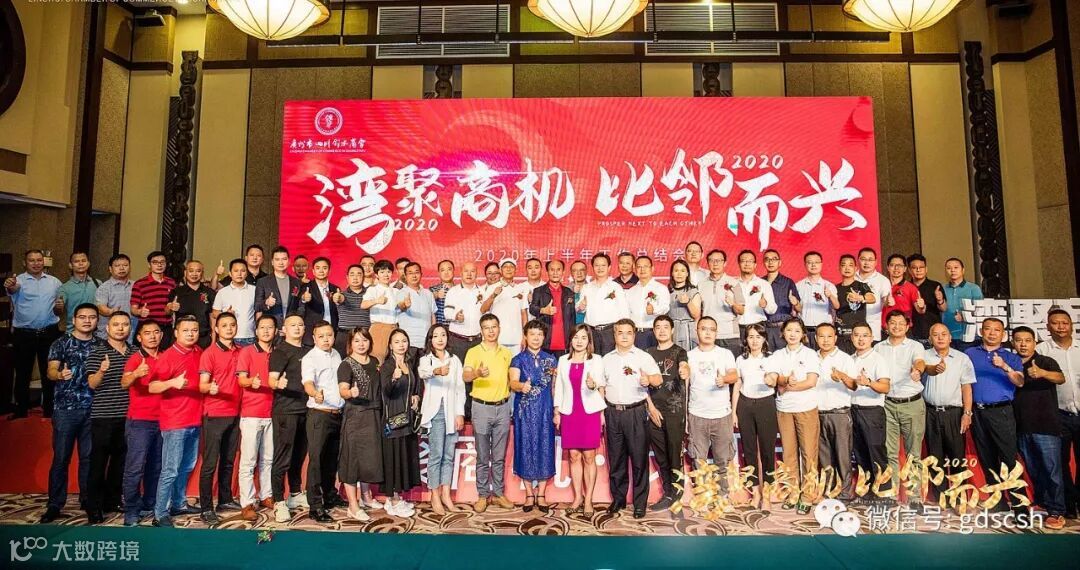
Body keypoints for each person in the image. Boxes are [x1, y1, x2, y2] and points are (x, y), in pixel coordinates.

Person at [39, 303, 99, 523]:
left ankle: (88, 501)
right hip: (65, 409)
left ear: (97, 321)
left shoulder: (101, 345)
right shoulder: (61, 343)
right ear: (74, 319)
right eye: (82, 317)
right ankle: (55, 504)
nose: (87, 321)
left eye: (91, 317)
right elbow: (50, 371)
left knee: (89, 459)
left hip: (93, 409)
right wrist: (58, 375)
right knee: (61, 458)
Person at [602, 319, 662, 518]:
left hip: (636, 412)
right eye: (620, 332)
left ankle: (639, 503)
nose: (625, 336)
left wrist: (649, 379)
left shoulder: (643, 357)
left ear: (634, 335)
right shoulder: (606, 359)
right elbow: (601, 386)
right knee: (616, 460)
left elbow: (658, 379)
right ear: (614, 335)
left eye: (629, 332)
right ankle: (618, 499)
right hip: (612, 413)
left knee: (639, 460)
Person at [148, 315, 204, 527]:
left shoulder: (198, 351)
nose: (190, 334)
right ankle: (160, 513)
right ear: (176, 333)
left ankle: (179, 503)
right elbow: (152, 386)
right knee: (170, 469)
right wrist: (172, 382)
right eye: (186, 330)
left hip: (194, 420)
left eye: (194, 330)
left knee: (187, 466)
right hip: (175, 423)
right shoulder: (168, 356)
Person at [964, 318, 1024, 510]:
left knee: (1008, 458)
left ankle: (1020, 505)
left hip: (1001, 411)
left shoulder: (1011, 357)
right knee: (987, 457)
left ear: (1003, 334)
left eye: (996, 330)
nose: (991, 333)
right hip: (977, 412)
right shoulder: (970, 353)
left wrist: (1004, 366)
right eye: (988, 329)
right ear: (981, 331)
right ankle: (998, 502)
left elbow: (1020, 382)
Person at [1011, 326, 1067, 529]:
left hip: (1046, 426)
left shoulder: (1044, 361)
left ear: (1035, 342)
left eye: (1027, 340)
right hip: (1021, 426)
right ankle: (1043, 503)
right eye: (1019, 340)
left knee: (1052, 470)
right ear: (1013, 343)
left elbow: (1061, 378)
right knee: (1033, 469)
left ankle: (1057, 511)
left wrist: (1042, 373)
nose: (1023, 344)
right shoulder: (1011, 363)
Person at [766, 318, 820, 514]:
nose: (793, 334)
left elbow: (811, 382)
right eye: (789, 330)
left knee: (809, 453)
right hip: (784, 409)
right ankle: (793, 493)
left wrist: (786, 386)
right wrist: (782, 381)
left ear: (803, 334)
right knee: (788, 453)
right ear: (783, 333)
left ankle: (808, 495)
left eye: (797, 331)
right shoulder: (777, 355)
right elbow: (773, 379)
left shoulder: (810, 354)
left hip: (806, 408)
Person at [85, 312, 134, 523]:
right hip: (103, 416)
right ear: (107, 328)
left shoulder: (135, 352)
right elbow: (92, 384)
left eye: (125, 324)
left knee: (120, 462)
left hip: (128, 416)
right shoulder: (98, 352)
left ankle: (112, 500)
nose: (120, 328)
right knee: (98, 463)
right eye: (116, 325)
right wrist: (102, 371)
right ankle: (93, 506)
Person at [463, 313, 515, 512]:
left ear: (499, 329)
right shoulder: (473, 352)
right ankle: (483, 495)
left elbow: (512, 379)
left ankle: (499, 494)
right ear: (481, 331)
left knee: (499, 456)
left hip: (503, 408)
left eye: (494, 327)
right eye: (487, 327)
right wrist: (477, 373)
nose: (491, 331)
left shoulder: (506, 353)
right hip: (481, 407)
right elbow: (465, 376)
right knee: (483, 456)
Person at [554, 324, 606, 517]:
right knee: (574, 456)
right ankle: (577, 498)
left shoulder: (596, 360)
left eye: (583, 338)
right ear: (571, 340)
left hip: (590, 412)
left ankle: (589, 500)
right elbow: (559, 388)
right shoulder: (563, 360)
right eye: (576, 337)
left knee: (589, 457)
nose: (579, 341)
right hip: (569, 412)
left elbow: (601, 386)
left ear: (589, 341)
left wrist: (594, 386)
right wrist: (557, 412)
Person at [874, 311, 927, 500]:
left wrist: (917, 371)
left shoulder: (915, 346)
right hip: (887, 404)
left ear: (907, 326)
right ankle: (892, 495)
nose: (896, 327)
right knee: (890, 453)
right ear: (886, 326)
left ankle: (915, 498)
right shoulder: (878, 348)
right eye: (893, 323)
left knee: (914, 454)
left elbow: (919, 362)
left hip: (911, 404)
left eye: (901, 323)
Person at [196, 312, 243, 524]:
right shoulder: (210, 353)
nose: (229, 328)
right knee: (210, 464)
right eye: (224, 325)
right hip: (215, 414)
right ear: (216, 329)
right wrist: (210, 388)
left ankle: (225, 499)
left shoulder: (240, 351)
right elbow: (201, 385)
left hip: (235, 413)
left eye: (232, 325)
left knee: (228, 460)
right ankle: (206, 508)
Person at [6, 249, 63, 419]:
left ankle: (50, 410)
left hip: (49, 333)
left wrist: (59, 308)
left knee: (50, 372)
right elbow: (12, 289)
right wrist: (11, 285)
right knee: (22, 373)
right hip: (24, 334)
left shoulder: (55, 282)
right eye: (32, 260)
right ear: (25, 263)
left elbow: (59, 308)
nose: (36, 263)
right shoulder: (18, 281)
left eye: (39, 260)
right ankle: (21, 410)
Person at [921, 323, 975, 504]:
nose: (940, 338)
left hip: (954, 413)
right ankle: (940, 498)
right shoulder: (923, 357)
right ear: (930, 339)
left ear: (951, 338)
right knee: (934, 458)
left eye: (944, 334)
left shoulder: (962, 358)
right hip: (930, 412)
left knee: (957, 457)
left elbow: (966, 387)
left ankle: (959, 499)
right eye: (935, 335)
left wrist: (967, 413)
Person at [686, 316, 739, 498]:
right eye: (704, 329)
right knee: (698, 461)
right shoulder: (689, 356)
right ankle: (702, 497)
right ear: (697, 331)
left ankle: (723, 496)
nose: (708, 333)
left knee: (722, 461)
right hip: (697, 415)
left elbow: (734, 375)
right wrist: (686, 417)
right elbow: (686, 387)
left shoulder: (725, 354)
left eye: (712, 329)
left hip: (721, 415)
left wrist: (724, 379)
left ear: (716, 333)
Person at [510, 320, 559, 513]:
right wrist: (521, 386)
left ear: (544, 337)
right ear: (525, 336)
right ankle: (529, 494)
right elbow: (513, 382)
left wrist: (556, 410)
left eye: (539, 334)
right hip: (525, 409)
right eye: (532, 334)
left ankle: (542, 494)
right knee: (525, 448)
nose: (536, 338)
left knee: (546, 447)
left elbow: (555, 387)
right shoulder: (518, 359)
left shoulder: (551, 360)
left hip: (545, 408)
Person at [1036, 309, 1080, 517]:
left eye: (1065, 322)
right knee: (1059, 463)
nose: (1061, 326)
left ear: (1072, 325)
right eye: (1055, 323)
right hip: (1057, 414)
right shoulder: (1041, 350)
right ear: (1048, 327)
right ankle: (1068, 505)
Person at [337, 327, 384, 522]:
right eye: (356, 341)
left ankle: (366, 497)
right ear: (350, 344)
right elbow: (342, 390)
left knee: (368, 459)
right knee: (352, 461)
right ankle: (353, 505)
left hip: (373, 415)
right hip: (355, 416)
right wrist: (350, 393)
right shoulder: (346, 364)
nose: (361, 344)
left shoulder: (374, 362)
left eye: (364, 340)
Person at [418, 324, 465, 515]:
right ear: (430, 339)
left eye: (443, 335)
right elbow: (423, 373)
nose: (440, 339)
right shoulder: (426, 359)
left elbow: (460, 388)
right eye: (435, 336)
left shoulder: (455, 360)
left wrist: (460, 413)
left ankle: (446, 494)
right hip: (435, 413)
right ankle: (434, 495)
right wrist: (437, 371)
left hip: (452, 411)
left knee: (449, 455)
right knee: (436, 455)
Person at [120, 320, 163, 526]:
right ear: (139, 337)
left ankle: (149, 503)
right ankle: (131, 509)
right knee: (135, 468)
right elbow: (124, 382)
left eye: (156, 332)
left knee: (156, 466)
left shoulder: (165, 357)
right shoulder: (135, 358)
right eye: (147, 333)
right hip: (140, 421)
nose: (152, 336)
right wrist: (136, 373)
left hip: (163, 421)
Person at [268, 314, 311, 522]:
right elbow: (271, 380)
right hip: (286, 410)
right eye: (292, 325)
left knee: (299, 455)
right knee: (282, 457)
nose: (297, 328)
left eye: (300, 325)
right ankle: (278, 501)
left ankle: (295, 493)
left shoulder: (309, 351)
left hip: (306, 409)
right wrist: (278, 384)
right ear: (284, 329)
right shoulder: (280, 351)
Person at [301, 321, 345, 523]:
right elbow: (308, 383)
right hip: (319, 414)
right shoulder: (310, 358)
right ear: (314, 338)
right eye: (321, 336)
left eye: (329, 335)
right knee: (317, 461)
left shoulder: (336, 354)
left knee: (331, 459)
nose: (326, 339)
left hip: (337, 414)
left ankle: (329, 495)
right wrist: (315, 394)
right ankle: (315, 506)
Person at [235, 315, 278, 521]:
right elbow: (241, 380)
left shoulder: (278, 352)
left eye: (270, 327)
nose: (266, 331)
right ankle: (247, 502)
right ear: (256, 331)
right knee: (248, 461)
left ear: (276, 331)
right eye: (262, 327)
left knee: (268, 459)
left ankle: (266, 495)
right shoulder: (247, 352)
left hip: (272, 413)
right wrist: (251, 381)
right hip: (251, 414)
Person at [645, 316, 689, 511]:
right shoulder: (648, 353)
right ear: (653, 331)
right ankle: (667, 492)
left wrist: (684, 369)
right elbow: (643, 383)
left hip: (674, 411)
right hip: (654, 410)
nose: (662, 330)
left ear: (672, 330)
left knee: (674, 453)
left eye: (665, 327)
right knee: (661, 455)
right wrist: (650, 408)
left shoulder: (679, 352)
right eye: (658, 327)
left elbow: (684, 366)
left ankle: (677, 493)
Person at [379, 328, 422, 517]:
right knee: (393, 459)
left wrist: (416, 396)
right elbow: (385, 392)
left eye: (404, 341)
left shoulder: (409, 363)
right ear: (390, 345)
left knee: (403, 458)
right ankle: (392, 499)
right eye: (396, 342)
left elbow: (415, 386)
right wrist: (393, 379)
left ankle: (397, 497)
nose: (401, 345)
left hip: (407, 420)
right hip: (393, 421)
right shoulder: (388, 366)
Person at [735, 323, 778, 509]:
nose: (754, 341)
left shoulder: (771, 358)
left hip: (765, 404)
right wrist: (734, 412)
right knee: (749, 451)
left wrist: (771, 380)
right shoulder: (740, 359)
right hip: (745, 405)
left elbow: (774, 379)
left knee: (768, 452)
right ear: (746, 339)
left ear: (764, 339)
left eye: (758, 337)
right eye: (751, 337)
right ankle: (755, 493)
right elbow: (737, 385)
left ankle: (766, 496)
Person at [842, 322, 891, 483]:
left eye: (865, 335)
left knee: (876, 453)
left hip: (872, 411)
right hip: (853, 411)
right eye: (857, 335)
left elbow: (885, 387)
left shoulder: (878, 359)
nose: (861, 339)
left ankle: (884, 492)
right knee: (860, 454)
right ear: (851, 338)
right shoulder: (850, 359)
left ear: (872, 338)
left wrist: (869, 382)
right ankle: (866, 491)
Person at [815, 322, 856, 502]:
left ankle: (846, 492)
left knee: (843, 455)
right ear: (816, 338)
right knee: (824, 456)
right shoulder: (811, 358)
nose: (825, 340)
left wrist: (842, 376)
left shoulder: (845, 359)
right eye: (821, 336)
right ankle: (829, 490)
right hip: (817, 413)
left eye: (829, 336)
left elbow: (854, 385)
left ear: (836, 338)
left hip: (839, 413)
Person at [578, 253, 629, 355]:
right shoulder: (587, 287)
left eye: (603, 265)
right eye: (597, 265)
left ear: (609, 267)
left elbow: (624, 311)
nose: (600, 268)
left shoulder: (616, 287)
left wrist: (624, 331)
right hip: (591, 331)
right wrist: (581, 306)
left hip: (610, 332)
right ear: (593, 267)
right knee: (592, 360)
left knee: (610, 360)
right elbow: (579, 308)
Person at [481, 258, 529, 356]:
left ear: (515, 270)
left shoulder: (520, 289)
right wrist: (493, 295)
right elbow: (483, 310)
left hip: (516, 340)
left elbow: (524, 314)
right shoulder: (492, 287)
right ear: (500, 270)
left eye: (511, 267)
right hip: (496, 339)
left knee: (515, 365)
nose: (508, 269)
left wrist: (525, 336)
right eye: (505, 267)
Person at [529, 259, 575, 358]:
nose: (555, 273)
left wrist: (572, 339)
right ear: (547, 272)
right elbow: (532, 308)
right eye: (552, 270)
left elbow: (572, 319)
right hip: (545, 342)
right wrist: (543, 310)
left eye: (558, 270)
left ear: (563, 272)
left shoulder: (569, 292)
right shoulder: (539, 291)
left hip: (565, 343)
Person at [166, 261, 216, 349]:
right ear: (185, 272)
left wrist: (213, 340)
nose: (194, 274)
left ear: (202, 273)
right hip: (182, 338)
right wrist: (170, 307)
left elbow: (212, 317)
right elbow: (166, 311)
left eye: (198, 271)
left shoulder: (209, 292)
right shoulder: (177, 291)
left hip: (203, 338)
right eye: (191, 271)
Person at [795, 251, 840, 350]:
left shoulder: (829, 285)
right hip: (805, 330)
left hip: (823, 331)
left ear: (821, 264)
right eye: (810, 262)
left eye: (816, 262)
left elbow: (837, 306)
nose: (813, 265)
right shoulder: (798, 286)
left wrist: (830, 296)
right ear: (805, 265)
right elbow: (797, 310)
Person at [131, 251, 177, 346]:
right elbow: (133, 309)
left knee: (165, 354)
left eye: (162, 262)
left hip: (166, 328)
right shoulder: (139, 284)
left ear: (166, 264)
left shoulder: (171, 283)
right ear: (149, 265)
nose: (159, 265)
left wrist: (172, 308)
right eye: (155, 262)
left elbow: (171, 308)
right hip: (147, 328)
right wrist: (139, 311)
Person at [443, 261, 485, 363]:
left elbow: (486, 314)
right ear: (461, 273)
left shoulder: (483, 291)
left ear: (477, 274)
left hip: (477, 341)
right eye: (466, 271)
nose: (469, 274)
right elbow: (447, 313)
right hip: (457, 341)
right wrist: (456, 316)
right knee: (457, 370)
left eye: (472, 271)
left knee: (476, 370)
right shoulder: (453, 291)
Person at [626, 256, 670, 350]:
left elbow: (666, 307)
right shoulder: (630, 291)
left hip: (653, 333)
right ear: (635, 269)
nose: (642, 269)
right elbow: (627, 313)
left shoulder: (661, 288)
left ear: (652, 268)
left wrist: (654, 310)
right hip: (635, 334)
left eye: (645, 266)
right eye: (639, 267)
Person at [835, 254, 874, 354]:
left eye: (850, 265)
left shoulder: (861, 285)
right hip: (840, 334)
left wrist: (861, 298)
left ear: (856, 268)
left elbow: (872, 298)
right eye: (844, 265)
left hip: (857, 335)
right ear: (839, 268)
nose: (847, 268)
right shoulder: (835, 288)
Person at [298, 258, 342, 347]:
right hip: (312, 333)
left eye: (324, 268)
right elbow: (299, 302)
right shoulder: (306, 287)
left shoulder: (335, 289)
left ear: (329, 271)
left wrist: (339, 301)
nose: (321, 271)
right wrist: (304, 298)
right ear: (313, 271)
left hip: (331, 332)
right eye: (318, 268)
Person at [212, 259, 257, 347]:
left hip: (250, 336)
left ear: (246, 273)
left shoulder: (254, 290)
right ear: (230, 273)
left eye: (243, 271)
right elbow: (214, 313)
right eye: (236, 271)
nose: (239, 274)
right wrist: (226, 314)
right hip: (228, 336)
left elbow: (259, 311)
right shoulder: (222, 292)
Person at [734, 250, 777, 341]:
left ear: (755, 264)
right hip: (737, 328)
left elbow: (772, 309)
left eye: (750, 261)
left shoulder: (764, 284)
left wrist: (765, 305)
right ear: (739, 264)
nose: (747, 264)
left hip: (758, 326)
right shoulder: (732, 283)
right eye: (743, 261)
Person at [762, 249, 800, 351]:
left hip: (783, 328)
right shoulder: (759, 282)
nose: (770, 262)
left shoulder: (788, 282)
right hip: (764, 329)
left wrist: (796, 303)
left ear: (780, 263)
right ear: (763, 263)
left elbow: (799, 308)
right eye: (767, 259)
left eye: (774, 259)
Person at [942, 258, 983, 350]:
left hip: (969, 336)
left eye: (956, 267)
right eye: (949, 268)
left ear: (963, 270)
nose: (952, 270)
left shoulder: (973, 288)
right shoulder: (942, 288)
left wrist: (965, 316)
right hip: (948, 335)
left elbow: (980, 311)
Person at [362, 259, 399, 362]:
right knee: (377, 359)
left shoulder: (396, 291)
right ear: (376, 275)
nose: (386, 275)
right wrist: (377, 301)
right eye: (382, 272)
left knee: (394, 360)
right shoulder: (373, 289)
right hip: (379, 328)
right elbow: (363, 305)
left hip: (395, 328)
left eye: (388, 272)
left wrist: (404, 304)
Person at [255, 246, 301, 325]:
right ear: (272, 262)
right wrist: (266, 302)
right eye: (277, 259)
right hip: (272, 326)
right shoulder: (262, 282)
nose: (281, 263)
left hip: (291, 326)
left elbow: (299, 306)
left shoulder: (296, 282)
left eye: (284, 259)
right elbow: (257, 306)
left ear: (289, 261)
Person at [907, 254, 946, 347]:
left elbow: (943, 308)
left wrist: (940, 300)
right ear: (909, 270)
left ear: (926, 269)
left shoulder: (935, 286)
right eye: (914, 268)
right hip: (911, 334)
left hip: (932, 335)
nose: (918, 270)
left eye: (921, 267)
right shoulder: (906, 287)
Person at [397, 262, 437, 350]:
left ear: (421, 274)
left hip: (427, 343)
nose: (414, 276)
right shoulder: (400, 293)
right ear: (405, 276)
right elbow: (399, 307)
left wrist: (433, 337)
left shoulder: (428, 293)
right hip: (409, 343)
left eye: (416, 272)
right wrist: (404, 305)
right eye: (410, 273)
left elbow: (432, 316)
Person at [855, 248, 892, 342]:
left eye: (870, 260)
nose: (866, 263)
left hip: (873, 329)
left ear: (876, 262)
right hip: (853, 328)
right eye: (863, 259)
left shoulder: (882, 280)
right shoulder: (851, 277)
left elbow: (885, 301)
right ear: (858, 260)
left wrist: (888, 302)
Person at [58, 252, 99, 334]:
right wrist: (58, 307)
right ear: (70, 265)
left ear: (88, 264)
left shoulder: (98, 283)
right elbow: (58, 311)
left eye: (83, 261)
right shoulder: (65, 287)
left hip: (94, 332)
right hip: (73, 332)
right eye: (76, 261)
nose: (81, 263)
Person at [95, 253, 133, 341]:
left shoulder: (135, 285)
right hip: (108, 335)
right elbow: (101, 308)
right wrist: (111, 311)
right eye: (117, 266)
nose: (122, 268)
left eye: (125, 265)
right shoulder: (104, 287)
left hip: (130, 333)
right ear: (110, 269)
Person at [667, 259, 702, 351]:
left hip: (687, 331)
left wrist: (688, 302)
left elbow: (696, 315)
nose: (679, 274)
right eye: (676, 270)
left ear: (687, 273)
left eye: (683, 271)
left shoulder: (693, 291)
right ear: (672, 273)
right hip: (671, 331)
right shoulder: (667, 291)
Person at [883, 254, 925, 330]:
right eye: (892, 265)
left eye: (899, 265)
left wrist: (922, 306)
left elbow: (920, 310)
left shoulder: (911, 288)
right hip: (884, 330)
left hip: (903, 330)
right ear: (888, 268)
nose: (896, 268)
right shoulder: (882, 285)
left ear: (905, 268)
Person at [335, 264, 369, 355]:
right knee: (342, 362)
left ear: (364, 277)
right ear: (347, 277)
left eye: (359, 274)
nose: (355, 277)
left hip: (364, 336)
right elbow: (339, 299)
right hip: (344, 336)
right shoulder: (342, 294)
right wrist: (337, 297)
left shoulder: (370, 294)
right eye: (352, 274)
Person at [430, 259, 455, 326]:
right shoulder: (432, 290)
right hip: (439, 328)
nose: (446, 272)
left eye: (449, 269)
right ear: (439, 273)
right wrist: (435, 296)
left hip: (456, 328)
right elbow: (426, 304)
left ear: (453, 271)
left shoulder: (460, 290)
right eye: (443, 270)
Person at [569, 260, 589, 325]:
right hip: (571, 326)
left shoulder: (592, 288)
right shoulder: (565, 290)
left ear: (586, 271)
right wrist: (573, 294)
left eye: (582, 270)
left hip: (588, 327)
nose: (579, 273)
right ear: (571, 273)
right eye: (575, 270)